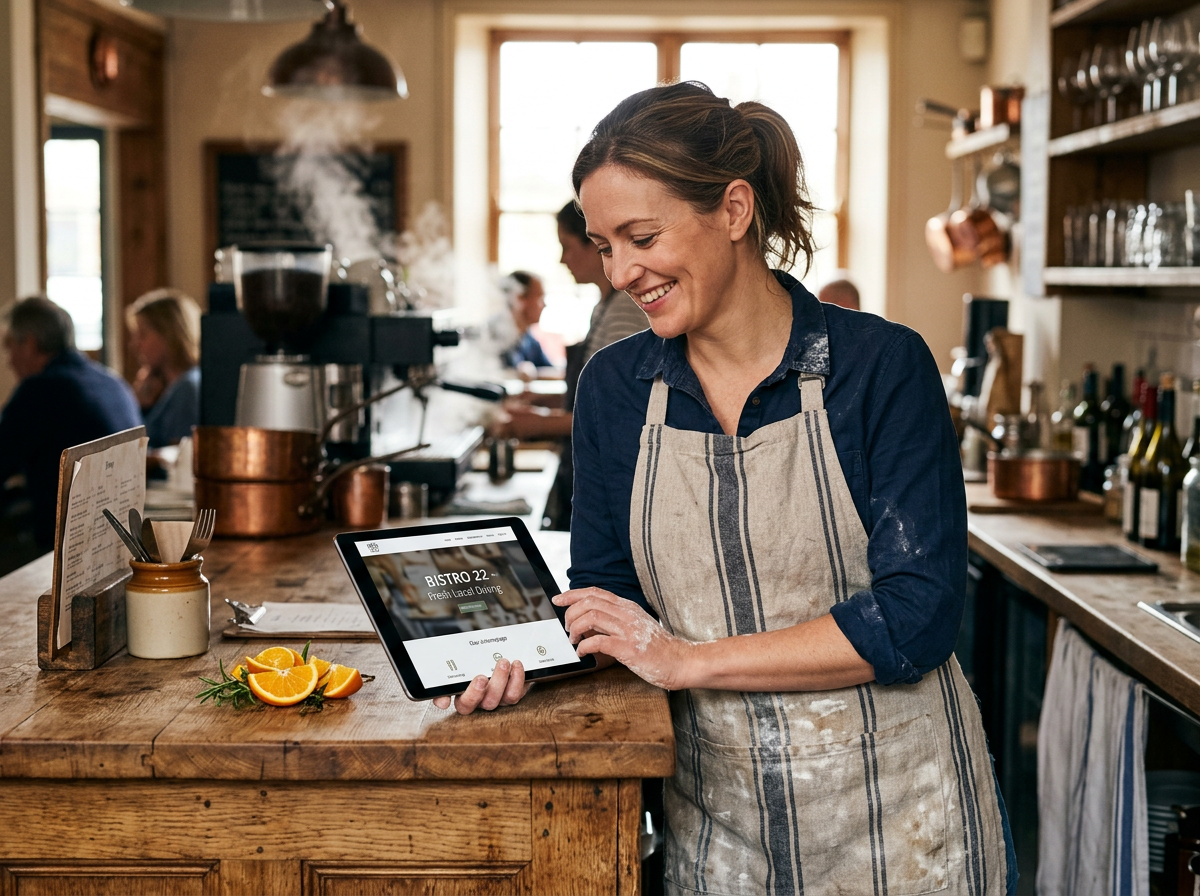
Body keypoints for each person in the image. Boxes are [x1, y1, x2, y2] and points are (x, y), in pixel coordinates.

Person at [436, 82, 1016, 895]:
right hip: (720, 819)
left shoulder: (880, 368)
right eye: (605, 245)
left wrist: (684, 660)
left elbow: (915, 619)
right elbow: (608, 591)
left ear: (735, 209)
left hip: (900, 817)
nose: (622, 272)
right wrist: (526, 658)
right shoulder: (616, 387)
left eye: (641, 236)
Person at [494, 201, 648, 529]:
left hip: (615, 482)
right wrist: (545, 402)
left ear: (597, 245)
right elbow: (594, 396)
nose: (562, 259)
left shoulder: (624, 309)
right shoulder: (604, 307)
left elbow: (615, 414)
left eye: (567, 246)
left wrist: (539, 423)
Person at [0, 296, 141, 553]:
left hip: (66, 547)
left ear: (30, 343)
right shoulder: (111, 381)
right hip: (121, 538)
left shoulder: (40, 389)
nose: (8, 360)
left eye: (9, 346)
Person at [126, 288, 201, 449]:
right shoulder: (165, 387)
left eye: (142, 335)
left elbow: (181, 455)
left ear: (169, 334)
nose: (135, 345)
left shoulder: (187, 388)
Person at [498, 271, 554, 373]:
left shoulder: (528, 338)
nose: (544, 305)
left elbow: (550, 369)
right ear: (519, 298)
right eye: (540, 297)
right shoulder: (496, 337)